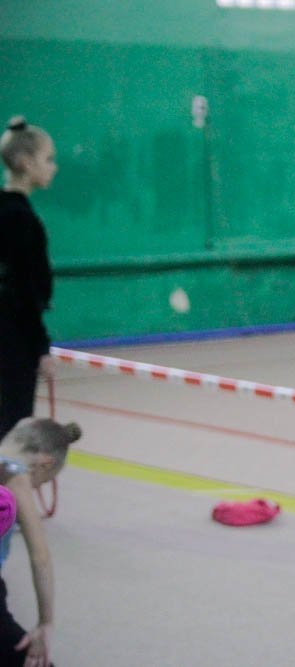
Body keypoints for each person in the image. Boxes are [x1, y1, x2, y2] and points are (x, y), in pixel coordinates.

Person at [0, 417, 80, 667]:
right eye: (42, 482)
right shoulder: (15, 476)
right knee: (31, 660)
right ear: (45, 464)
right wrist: (46, 622)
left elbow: (24, 422)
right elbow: (40, 557)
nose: (35, 488)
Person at [0, 117, 58, 441]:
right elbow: (23, 293)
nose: (53, 168)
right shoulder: (22, 220)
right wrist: (41, 348)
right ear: (25, 162)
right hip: (12, 344)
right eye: (48, 160)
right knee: (13, 434)